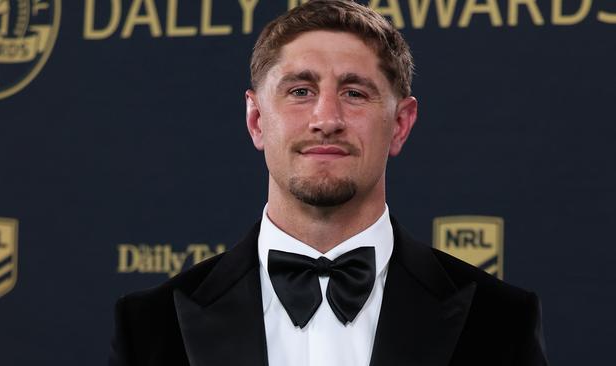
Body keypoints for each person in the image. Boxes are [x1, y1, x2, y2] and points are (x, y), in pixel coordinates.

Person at [109, 1, 548, 365]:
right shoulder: (150, 325)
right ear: (257, 119)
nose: (327, 119)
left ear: (400, 124)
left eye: (355, 93)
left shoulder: (500, 321)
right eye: (300, 91)